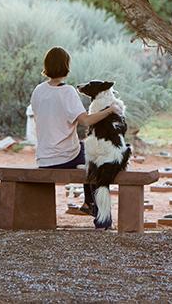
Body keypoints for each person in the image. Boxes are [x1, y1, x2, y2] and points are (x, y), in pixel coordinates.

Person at [30, 46, 120, 229]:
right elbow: (86, 121)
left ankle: (88, 203)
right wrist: (109, 110)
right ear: (66, 66)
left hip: (44, 158)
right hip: (65, 156)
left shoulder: (38, 91)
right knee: (96, 159)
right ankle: (102, 219)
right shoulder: (68, 91)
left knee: (86, 151)